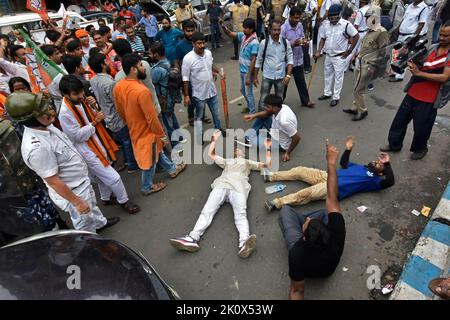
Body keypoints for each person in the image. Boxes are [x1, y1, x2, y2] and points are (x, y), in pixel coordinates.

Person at [6, 91, 120, 232]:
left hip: (81, 182)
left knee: (92, 207)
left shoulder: (46, 126)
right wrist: (77, 202)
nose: (50, 111)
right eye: (43, 111)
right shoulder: (37, 148)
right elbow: (53, 181)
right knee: (84, 221)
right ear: (30, 119)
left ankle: (100, 224)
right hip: (73, 190)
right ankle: (90, 242)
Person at [169, 130, 271, 258]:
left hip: (239, 187)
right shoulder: (226, 161)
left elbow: (266, 165)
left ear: (243, 153)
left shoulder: (248, 162)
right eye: (236, 149)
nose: (239, 150)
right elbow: (211, 154)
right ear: (234, 153)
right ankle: (192, 238)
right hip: (221, 185)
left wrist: (268, 148)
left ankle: (244, 243)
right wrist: (213, 140)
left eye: (240, 149)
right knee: (207, 210)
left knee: (241, 214)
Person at [58, 75, 140, 214]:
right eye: (76, 94)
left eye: (81, 91)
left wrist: (94, 106)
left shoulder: (83, 101)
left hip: (98, 141)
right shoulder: (65, 113)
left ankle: (106, 198)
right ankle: (124, 201)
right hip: (86, 150)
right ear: (66, 95)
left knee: (102, 177)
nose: (81, 95)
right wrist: (94, 122)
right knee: (114, 178)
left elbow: (96, 115)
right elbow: (77, 136)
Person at [278, 139, 345, 300]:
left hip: (311, 266)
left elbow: (297, 291)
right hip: (328, 267)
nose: (309, 219)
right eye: (309, 222)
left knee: (286, 210)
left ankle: (298, 220)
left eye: (306, 224)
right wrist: (331, 163)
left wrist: (330, 162)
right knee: (324, 212)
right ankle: (301, 220)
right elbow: (332, 197)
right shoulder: (337, 231)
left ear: (304, 237)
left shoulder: (297, 253)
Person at [113, 54, 186, 195]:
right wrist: (162, 136)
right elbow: (152, 119)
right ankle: (146, 187)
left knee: (156, 152)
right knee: (150, 161)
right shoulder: (142, 91)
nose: (143, 68)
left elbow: (119, 109)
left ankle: (172, 169)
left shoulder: (119, 86)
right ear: (133, 69)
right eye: (140, 65)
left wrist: (131, 121)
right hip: (146, 132)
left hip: (134, 128)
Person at [265, 136, 395, 211]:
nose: (377, 161)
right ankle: (271, 176)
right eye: (377, 160)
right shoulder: (360, 167)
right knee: (299, 170)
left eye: (380, 164)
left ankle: (276, 203)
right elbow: (344, 163)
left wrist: (387, 163)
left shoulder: (374, 181)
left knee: (305, 194)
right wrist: (348, 149)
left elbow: (390, 182)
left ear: (381, 173)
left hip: (332, 188)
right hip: (326, 175)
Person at [380, 20, 450, 160]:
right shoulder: (433, 48)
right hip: (414, 91)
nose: (441, 38)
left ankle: (420, 148)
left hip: (430, 98)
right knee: (399, 121)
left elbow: (444, 77)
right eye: (441, 34)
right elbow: (421, 61)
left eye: (446, 36)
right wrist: (406, 54)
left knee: (421, 127)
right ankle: (394, 144)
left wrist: (419, 73)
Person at [89, 53, 139, 174]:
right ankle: (132, 165)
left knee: (123, 141)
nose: (108, 63)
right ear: (102, 64)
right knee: (127, 141)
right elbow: (117, 102)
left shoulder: (94, 79)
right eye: (106, 62)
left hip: (108, 116)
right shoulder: (109, 82)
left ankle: (128, 161)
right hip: (116, 117)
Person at [343, 6, 389, 121]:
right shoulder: (370, 30)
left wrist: (377, 67)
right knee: (357, 87)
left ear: (376, 18)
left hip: (369, 65)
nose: (367, 19)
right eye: (367, 17)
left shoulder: (381, 32)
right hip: (360, 61)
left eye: (370, 17)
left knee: (358, 89)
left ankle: (362, 111)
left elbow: (383, 52)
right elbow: (365, 46)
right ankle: (355, 107)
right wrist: (355, 56)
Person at [182, 32, 224, 144]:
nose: (201, 45)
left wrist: (218, 71)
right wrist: (186, 95)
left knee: (216, 113)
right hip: (199, 94)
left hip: (211, 91)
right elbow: (185, 78)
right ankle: (199, 138)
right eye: (199, 43)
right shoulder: (188, 59)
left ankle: (218, 129)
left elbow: (210, 65)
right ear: (193, 44)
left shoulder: (208, 53)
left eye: (203, 43)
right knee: (198, 117)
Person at [314, 4, 359, 107]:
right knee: (327, 75)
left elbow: (356, 36)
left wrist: (349, 50)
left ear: (339, 15)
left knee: (338, 77)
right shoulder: (326, 24)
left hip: (340, 56)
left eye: (335, 17)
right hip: (328, 55)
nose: (333, 20)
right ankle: (327, 93)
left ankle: (336, 97)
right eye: (331, 18)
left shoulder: (346, 24)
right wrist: (318, 50)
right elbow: (323, 39)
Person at [174, 20, 212, 126]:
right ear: (183, 31)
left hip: (200, 77)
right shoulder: (180, 46)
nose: (190, 33)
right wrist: (178, 72)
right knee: (190, 99)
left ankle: (202, 116)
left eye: (192, 30)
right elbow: (176, 60)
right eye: (188, 31)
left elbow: (206, 57)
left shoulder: (199, 42)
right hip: (188, 79)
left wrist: (211, 70)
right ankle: (191, 118)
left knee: (203, 97)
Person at [220, 17, 260, 114]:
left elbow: (254, 60)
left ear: (251, 29)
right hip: (242, 70)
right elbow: (230, 34)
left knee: (248, 93)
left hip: (247, 72)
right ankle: (250, 106)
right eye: (244, 27)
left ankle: (252, 112)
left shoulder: (254, 42)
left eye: (246, 28)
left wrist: (249, 76)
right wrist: (223, 26)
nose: (244, 30)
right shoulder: (243, 36)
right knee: (243, 90)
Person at [244, 94, 300, 162]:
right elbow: (267, 113)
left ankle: (251, 140)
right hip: (277, 130)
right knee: (261, 116)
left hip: (281, 143)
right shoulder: (283, 107)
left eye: (267, 107)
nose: (265, 108)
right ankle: (250, 136)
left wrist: (287, 153)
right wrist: (254, 115)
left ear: (275, 108)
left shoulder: (284, 121)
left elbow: (297, 137)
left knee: (254, 141)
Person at [113, 39, 162, 116]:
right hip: (154, 107)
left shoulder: (119, 77)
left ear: (118, 56)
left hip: (141, 115)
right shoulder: (144, 64)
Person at [254, 19, 294, 112]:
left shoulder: (285, 42)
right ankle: (261, 119)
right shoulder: (264, 43)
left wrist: (288, 75)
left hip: (281, 77)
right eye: (274, 30)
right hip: (267, 76)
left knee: (279, 100)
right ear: (270, 30)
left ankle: (277, 120)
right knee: (263, 99)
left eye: (278, 30)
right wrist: (255, 76)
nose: (277, 32)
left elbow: (290, 59)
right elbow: (258, 60)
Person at [148, 42, 183, 146]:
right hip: (170, 95)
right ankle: (180, 136)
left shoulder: (157, 69)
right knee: (171, 115)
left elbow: (152, 81)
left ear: (156, 54)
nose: (149, 56)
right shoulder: (166, 62)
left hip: (163, 98)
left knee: (168, 123)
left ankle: (176, 144)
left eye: (150, 54)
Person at [281, 6, 315, 108]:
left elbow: (302, 37)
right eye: (295, 18)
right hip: (287, 61)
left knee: (301, 82)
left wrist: (304, 42)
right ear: (290, 16)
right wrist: (292, 44)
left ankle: (306, 101)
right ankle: (279, 102)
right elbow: (280, 45)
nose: (297, 20)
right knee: (284, 83)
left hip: (298, 59)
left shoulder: (300, 25)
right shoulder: (283, 28)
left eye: (298, 18)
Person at [389, 0, 429, 82]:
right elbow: (404, 20)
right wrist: (397, 30)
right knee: (396, 53)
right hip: (401, 34)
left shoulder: (424, 8)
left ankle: (400, 75)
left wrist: (413, 39)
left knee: (404, 56)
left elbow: (421, 24)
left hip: (409, 35)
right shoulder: (410, 6)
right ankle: (395, 70)